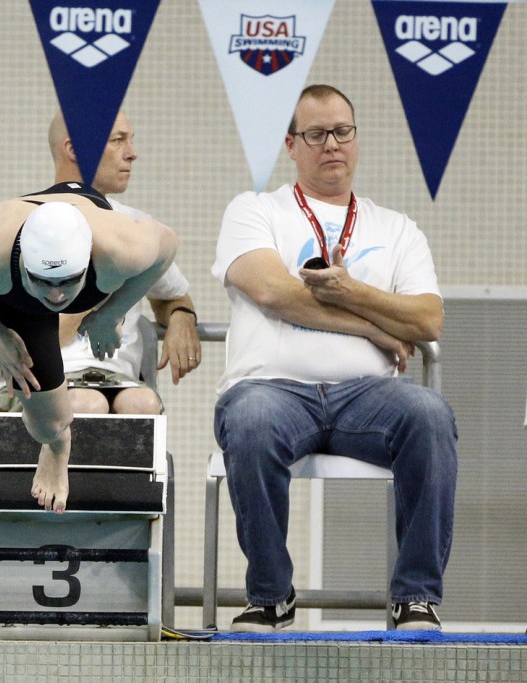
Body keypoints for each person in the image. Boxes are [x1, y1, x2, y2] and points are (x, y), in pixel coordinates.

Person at [211, 84, 457, 632]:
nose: (332, 145)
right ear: (291, 144)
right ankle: (272, 597)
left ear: (357, 138)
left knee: (430, 415)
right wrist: (375, 324)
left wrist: (349, 290)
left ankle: (415, 596)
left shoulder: (396, 229)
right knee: (248, 420)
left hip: (368, 398)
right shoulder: (254, 209)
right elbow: (275, 293)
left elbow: (428, 320)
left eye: (342, 131)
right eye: (316, 134)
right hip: (271, 388)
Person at [0, 186, 179, 514]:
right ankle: (58, 443)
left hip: (91, 230)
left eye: (67, 281)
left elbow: (169, 243)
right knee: (47, 424)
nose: (58, 297)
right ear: (24, 264)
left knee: (106, 283)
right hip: (19, 293)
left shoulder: (121, 249)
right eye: (45, 281)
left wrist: (112, 312)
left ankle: (91, 294)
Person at [0, 111, 201, 414]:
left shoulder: (134, 225)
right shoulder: (25, 226)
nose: (133, 154)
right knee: (85, 404)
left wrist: (181, 318)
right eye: (118, 141)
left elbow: (172, 294)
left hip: (119, 381)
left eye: (130, 140)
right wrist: (101, 286)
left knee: (143, 405)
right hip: (45, 381)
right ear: (73, 149)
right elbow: (1, 351)